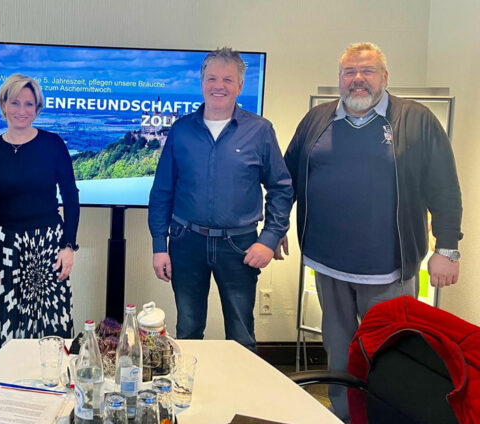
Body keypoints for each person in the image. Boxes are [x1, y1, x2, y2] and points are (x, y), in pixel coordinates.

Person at [282, 42, 463, 421]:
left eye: (367, 71)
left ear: (385, 76)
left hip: (390, 270)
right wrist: (277, 227)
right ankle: (344, 415)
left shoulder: (416, 120)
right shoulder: (317, 120)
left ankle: (385, 418)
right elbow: (289, 179)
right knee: (338, 352)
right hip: (328, 267)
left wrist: (447, 248)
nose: (358, 79)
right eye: (349, 72)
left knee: (390, 356)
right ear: (339, 78)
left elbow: (444, 186)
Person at [148, 47, 293, 350]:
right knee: (188, 330)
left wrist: (269, 239)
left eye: (228, 79)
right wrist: (160, 246)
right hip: (186, 243)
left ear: (240, 86)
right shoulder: (181, 130)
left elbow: (281, 188)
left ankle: (241, 384)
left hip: (240, 246)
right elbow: (162, 192)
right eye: (212, 78)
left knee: (241, 334)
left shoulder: (260, 130)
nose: (219, 86)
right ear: (202, 83)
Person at [0, 73, 80, 368]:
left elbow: (71, 197)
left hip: (48, 246)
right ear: (3, 105)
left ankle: (52, 380)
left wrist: (68, 246)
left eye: (29, 104)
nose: (22, 110)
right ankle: (6, 380)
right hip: (4, 246)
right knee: (6, 320)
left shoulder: (53, 144)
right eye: (15, 102)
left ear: (37, 108)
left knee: (50, 323)